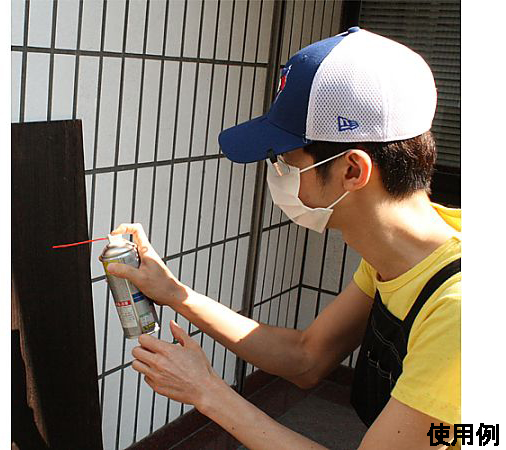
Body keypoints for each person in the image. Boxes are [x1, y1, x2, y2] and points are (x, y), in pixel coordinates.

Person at [107, 27, 461, 449]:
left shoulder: (459, 312)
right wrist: (175, 293)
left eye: (285, 161)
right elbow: (307, 358)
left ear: (352, 170)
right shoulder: (401, 256)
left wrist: (207, 392)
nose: (277, 175)